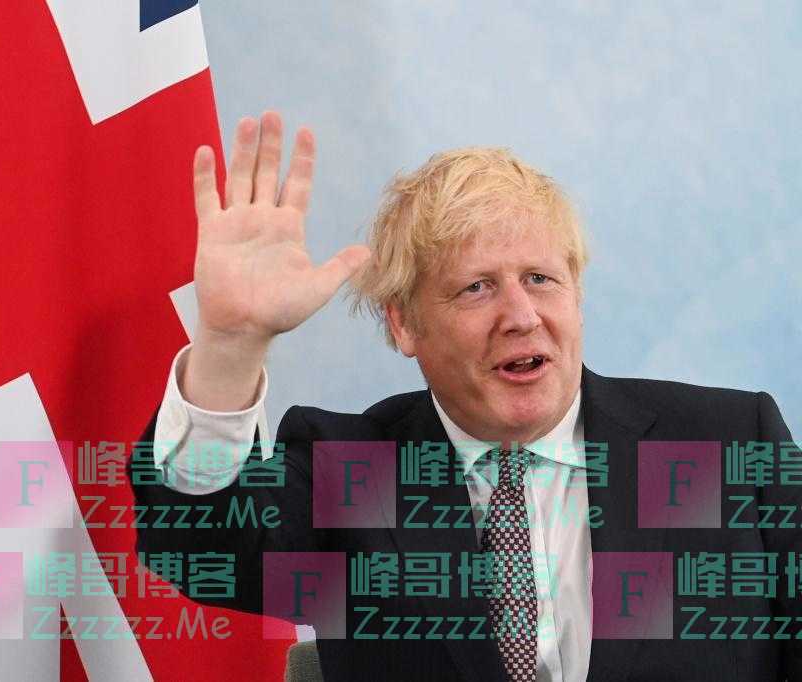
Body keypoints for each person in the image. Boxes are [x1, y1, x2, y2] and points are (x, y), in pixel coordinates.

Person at [130, 111, 801, 681]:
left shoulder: (730, 442)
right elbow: (200, 550)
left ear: (577, 292)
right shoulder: (349, 470)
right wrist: (230, 346)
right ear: (403, 324)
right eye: (476, 288)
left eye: (540, 279)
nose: (521, 316)